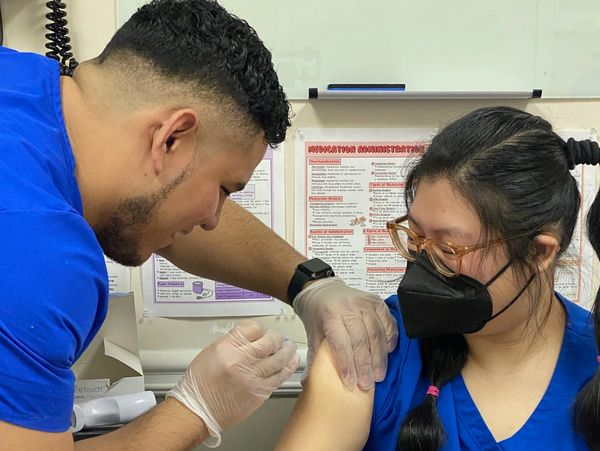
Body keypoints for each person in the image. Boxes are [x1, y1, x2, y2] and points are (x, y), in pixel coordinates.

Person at [0, 0, 398, 449]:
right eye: (224, 189)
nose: (212, 220)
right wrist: (195, 409)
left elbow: (161, 211)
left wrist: (308, 282)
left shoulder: (20, 82)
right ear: (170, 138)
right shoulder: (38, 257)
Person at [276, 106, 600, 451]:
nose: (424, 264)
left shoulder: (590, 362)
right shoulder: (373, 348)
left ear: (538, 253)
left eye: (448, 248)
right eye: (414, 237)